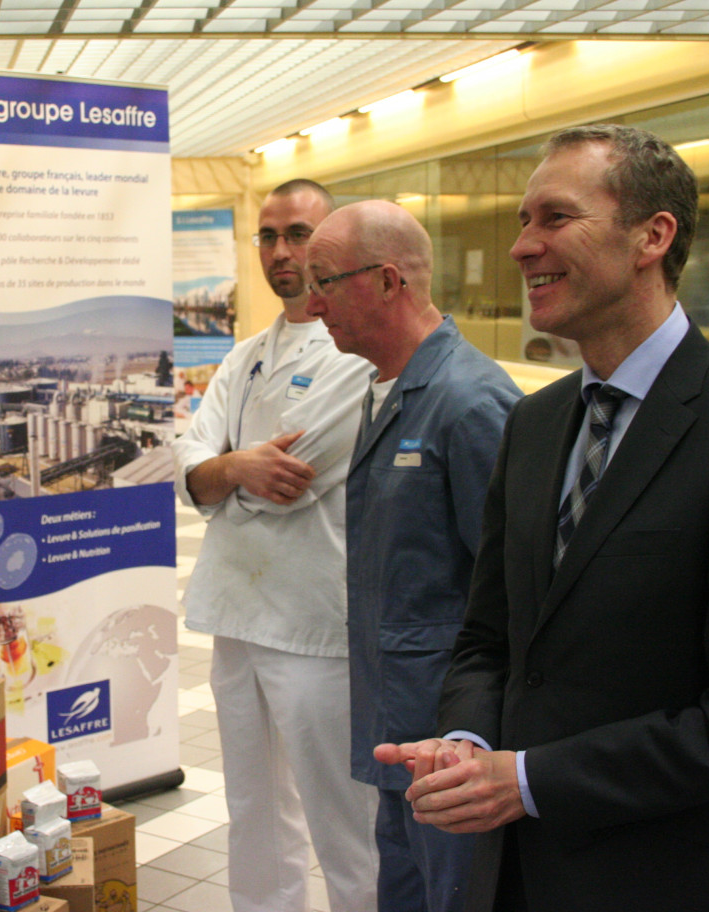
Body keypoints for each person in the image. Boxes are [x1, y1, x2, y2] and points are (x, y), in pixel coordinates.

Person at [377, 123, 709, 911]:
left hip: (678, 876)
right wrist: (469, 744)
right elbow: (492, 635)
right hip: (526, 872)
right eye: (524, 221)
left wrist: (526, 780)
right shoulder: (535, 424)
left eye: (554, 218)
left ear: (652, 236)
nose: (523, 246)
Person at [304, 201, 520, 912]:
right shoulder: (388, 388)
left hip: (451, 737)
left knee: (455, 893)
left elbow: (514, 590)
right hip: (398, 724)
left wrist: (482, 734)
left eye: (326, 281)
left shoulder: (468, 401)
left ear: (388, 280)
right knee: (404, 889)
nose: (313, 303)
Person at [172, 179, 378, 912]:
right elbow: (188, 464)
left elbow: (298, 472)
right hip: (235, 613)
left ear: (336, 243)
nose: (282, 250)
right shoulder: (245, 354)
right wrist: (230, 470)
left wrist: (224, 478)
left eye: (300, 234)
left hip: (313, 621)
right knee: (254, 810)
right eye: (269, 235)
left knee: (345, 818)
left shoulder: (356, 351)